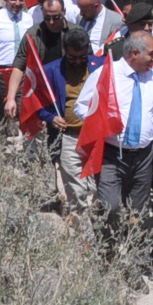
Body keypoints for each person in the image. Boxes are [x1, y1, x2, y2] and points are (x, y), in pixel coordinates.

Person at [78, 33, 153, 263]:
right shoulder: (106, 74)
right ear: (134, 54)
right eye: (151, 54)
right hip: (112, 156)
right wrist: (101, 121)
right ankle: (108, 258)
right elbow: (81, 107)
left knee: (139, 213)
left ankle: (137, 264)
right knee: (110, 208)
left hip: (143, 156)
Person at [42, 26, 95, 211]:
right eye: (73, 57)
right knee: (76, 190)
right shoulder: (51, 70)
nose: (78, 61)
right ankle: (82, 234)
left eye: (82, 57)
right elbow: (38, 103)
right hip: (69, 137)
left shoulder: (101, 65)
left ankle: (99, 231)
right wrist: (51, 117)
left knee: (97, 189)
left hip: (96, 138)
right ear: (65, 49)